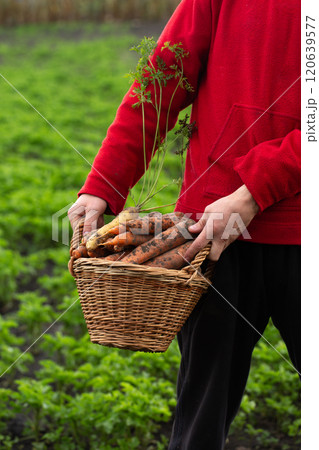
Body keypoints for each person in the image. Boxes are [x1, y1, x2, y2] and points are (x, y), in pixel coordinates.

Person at [68, 0, 301, 448]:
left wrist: (253, 191)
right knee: (200, 417)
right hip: (209, 240)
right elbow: (159, 84)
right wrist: (102, 183)